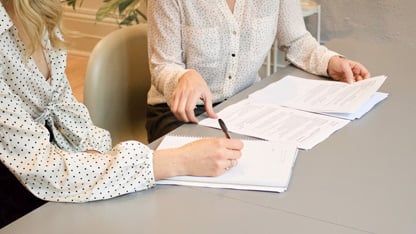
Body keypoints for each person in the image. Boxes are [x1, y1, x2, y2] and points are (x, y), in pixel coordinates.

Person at [0, 0, 243, 228]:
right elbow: (41, 167)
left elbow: (66, 110)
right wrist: (178, 161)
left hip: (51, 173)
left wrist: (96, 157)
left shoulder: (38, 12)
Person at [146, 0, 371, 142]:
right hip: (180, 114)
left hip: (244, 108)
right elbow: (163, 65)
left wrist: (330, 62)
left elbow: (296, 40)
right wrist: (183, 77)